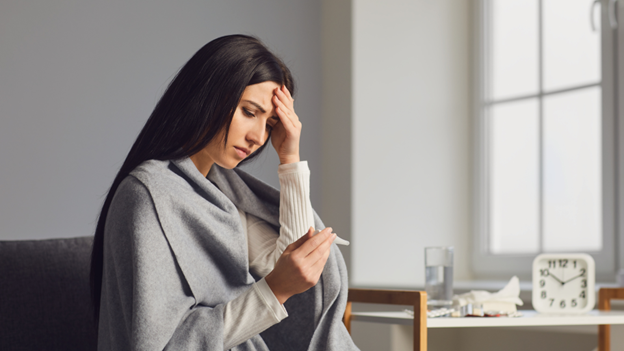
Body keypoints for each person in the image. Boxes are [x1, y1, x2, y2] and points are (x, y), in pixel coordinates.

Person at [90, 34, 359, 350]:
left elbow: (295, 273)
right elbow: (161, 344)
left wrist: (290, 157)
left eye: (271, 124)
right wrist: (274, 291)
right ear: (209, 97)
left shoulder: (224, 196)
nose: (258, 137)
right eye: (249, 112)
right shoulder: (148, 196)